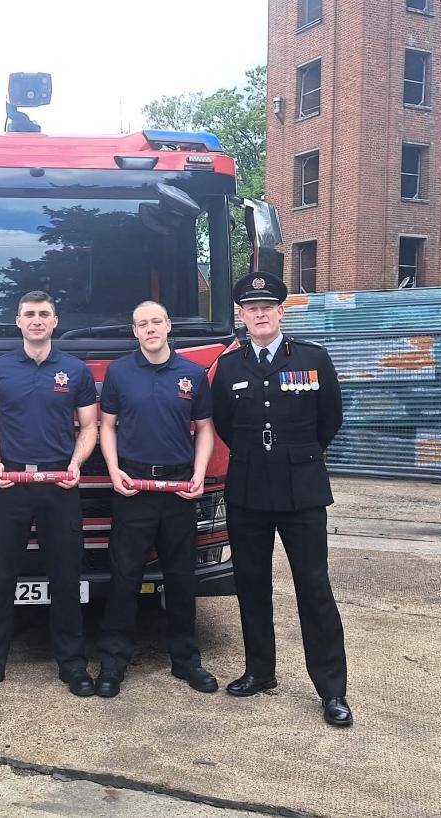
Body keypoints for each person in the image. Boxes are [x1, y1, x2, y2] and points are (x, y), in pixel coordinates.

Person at [211, 273, 352, 727]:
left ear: (281, 312)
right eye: (251, 309)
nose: (259, 314)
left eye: (267, 307)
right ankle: (260, 671)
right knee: (252, 585)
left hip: (302, 491)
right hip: (248, 489)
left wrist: (298, 455)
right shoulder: (228, 366)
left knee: (314, 588)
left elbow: (330, 418)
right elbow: (224, 424)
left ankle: (332, 690)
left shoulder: (313, 358)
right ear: (242, 315)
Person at [0, 291, 99, 698]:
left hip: (60, 486)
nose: (37, 320)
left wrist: (76, 465)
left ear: (55, 321)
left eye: (44, 314)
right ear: (18, 321)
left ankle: (73, 665)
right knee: (0, 577)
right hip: (11, 488)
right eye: (29, 314)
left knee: (65, 576)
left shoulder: (76, 371)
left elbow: (90, 427)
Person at [95, 301, 219, 697]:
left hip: (179, 489)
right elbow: (107, 426)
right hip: (133, 488)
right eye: (142, 324)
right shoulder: (119, 372)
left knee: (181, 578)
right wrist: (114, 471)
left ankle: (186, 662)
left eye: (156, 322)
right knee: (124, 577)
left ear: (168, 326)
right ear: (135, 332)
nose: (150, 329)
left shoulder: (192, 374)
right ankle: (113, 663)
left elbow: (204, 429)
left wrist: (199, 473)